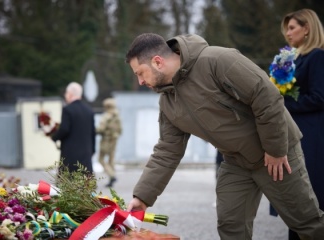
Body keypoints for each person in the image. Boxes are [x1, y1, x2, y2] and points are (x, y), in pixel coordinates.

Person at [124, 33, 324, 239]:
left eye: (140, 73)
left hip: (276, 154)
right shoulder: (168, 101)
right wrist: (143, 197)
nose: (140, 81)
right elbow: (167, 150)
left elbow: (267, 96)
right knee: (231, 226)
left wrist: (275, 149)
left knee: (307, 223)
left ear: (157, 62)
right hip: (237, 162)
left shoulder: (217, 61)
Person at [281, 9, 324, 240]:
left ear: (306, 28)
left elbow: (319, 98)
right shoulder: (291, 58)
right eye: (287, 28)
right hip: (293, 132)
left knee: (308, 200)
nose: (288, 33)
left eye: (292, 27)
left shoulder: (317, 56)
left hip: (310, 135)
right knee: (295, 202)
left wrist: (284, 103)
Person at [51, 82, 96, 175]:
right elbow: (93, 132)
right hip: (85, 155)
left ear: (70, 94)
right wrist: (92, 150)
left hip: (70, 155)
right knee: (84, 184)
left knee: (67, 184)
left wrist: (54, 137)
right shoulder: (89, 110)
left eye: (66, 93)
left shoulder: (68, 109)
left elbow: (64, 129)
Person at [96, 98, 122, 187]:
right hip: (114, 140)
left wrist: (94, 130)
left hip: (105, 141)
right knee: (111, 160)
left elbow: (101, 129)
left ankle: (112, 175)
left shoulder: (106, 116)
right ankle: (111, 179)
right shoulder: (117, 116)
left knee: (100, 159)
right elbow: (120, 130)